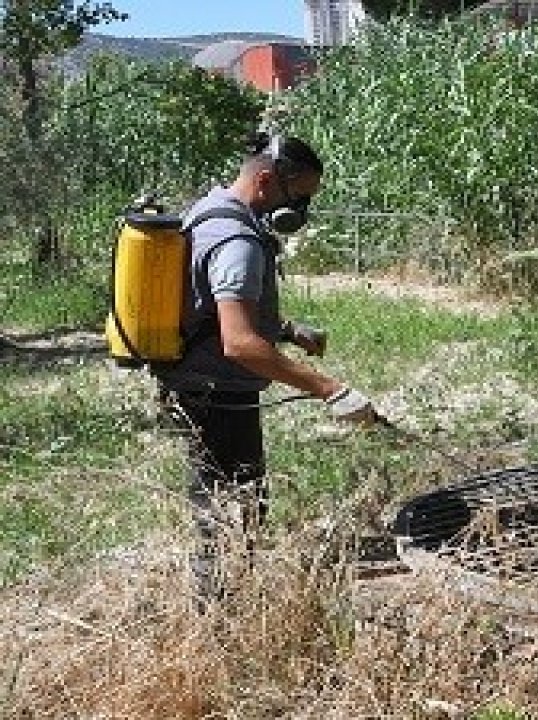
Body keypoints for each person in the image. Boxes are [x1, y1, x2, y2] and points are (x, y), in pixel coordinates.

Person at [153, 132, 378, 602]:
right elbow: (239, 343)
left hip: (201, 383)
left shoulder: (209, 209)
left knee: (238, 502)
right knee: (227, 511)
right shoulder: (239, 240)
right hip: (215, 394)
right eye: (298, 196)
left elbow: (210, 307)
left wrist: (288, 330)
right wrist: (329, 389)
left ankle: (231, 599)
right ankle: (218, 619)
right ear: (265, 181)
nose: (300, 210)